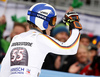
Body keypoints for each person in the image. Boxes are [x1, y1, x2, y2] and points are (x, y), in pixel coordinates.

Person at [0, 3, 82, 77]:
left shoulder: (17, 38)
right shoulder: (40, 38)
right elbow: (70, 48)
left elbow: (5, 67)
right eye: (52, 21)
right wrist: (75, 27)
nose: (53, 26)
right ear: (42, 20)